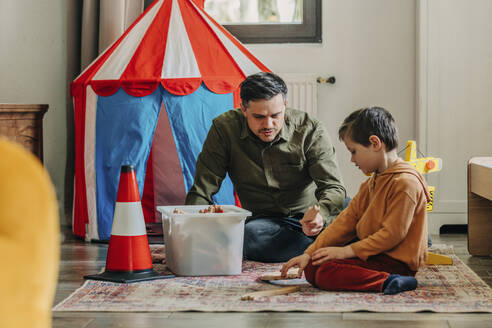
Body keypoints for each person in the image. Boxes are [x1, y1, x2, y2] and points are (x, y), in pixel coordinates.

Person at [185, 72, 346, 262]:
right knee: (250, 238)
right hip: (264, 223)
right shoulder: (224, 130)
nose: (268, 124)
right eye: (259, 117)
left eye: (276, 115)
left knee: (358, 211)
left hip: (310, 216)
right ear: (243, 109)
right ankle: (328, 244)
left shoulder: (310, 129)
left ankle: (323, 240)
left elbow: (333, 187)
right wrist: (191, 237)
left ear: (285, 106)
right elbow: (202, 190)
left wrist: (321, 216)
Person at [281, 107, 430, 295]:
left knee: (326, 271)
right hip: (375, 254)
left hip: (396, 262)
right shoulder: (370, 183)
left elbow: (392, 235)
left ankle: (389, 281)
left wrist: (347, 251)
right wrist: (308, 254)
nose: (352, 159)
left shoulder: (406, 183)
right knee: (313, 266)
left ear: (375, 143)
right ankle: (383, 279)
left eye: (354, 151)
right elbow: (345, 223)